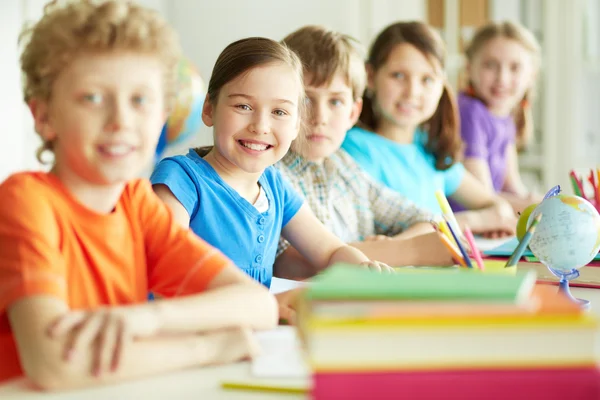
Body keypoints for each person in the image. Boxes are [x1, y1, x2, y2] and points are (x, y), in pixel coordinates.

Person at [0, 0, 277, 389]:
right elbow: (54, 364)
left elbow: (258, 305)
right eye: (92, 98)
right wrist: (207, 348)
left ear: (162, 114)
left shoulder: (136, 203)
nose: (121, 121)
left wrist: (147, 320)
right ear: (44, 116)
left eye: (140, 100)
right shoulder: (26, 202)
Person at [151, 37, 390, 321]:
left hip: (253, 335)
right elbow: (171, 269)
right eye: (243, 106)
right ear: (209, 109)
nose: (260, 126)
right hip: (182, 330)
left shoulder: (275, 186)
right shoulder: (179, 180)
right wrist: (266, 305)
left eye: (279, 112)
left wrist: (363, 268)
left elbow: (330, 251)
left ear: (295, 125)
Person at [273, 25, 453, 276]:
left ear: (353, 113)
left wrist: (392, 245)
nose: (320, 117)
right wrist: (404, 251)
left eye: (335, 101)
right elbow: (290, 261)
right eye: (305, 99)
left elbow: (428, 218)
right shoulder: (269, 174)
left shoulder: (345, 167)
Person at [341, 21, 516, 237]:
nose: (412, 92)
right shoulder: (352, 149)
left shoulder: (430, 148)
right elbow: (388, 244)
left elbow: (496, 205)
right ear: (370, 76)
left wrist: (491, 219)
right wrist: (470, 221)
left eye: (427, 79)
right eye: (398, 75)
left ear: (442, 84)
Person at [459, 21, 543, 213]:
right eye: (490, 65)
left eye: (515, 68)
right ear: (469, 68)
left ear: (531, 75)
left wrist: (536, 200)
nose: (502, 78)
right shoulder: (469, 112)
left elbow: (511, 187)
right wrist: (540, 208)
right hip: (466, 229)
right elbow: (484, 197)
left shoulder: (506, 117)